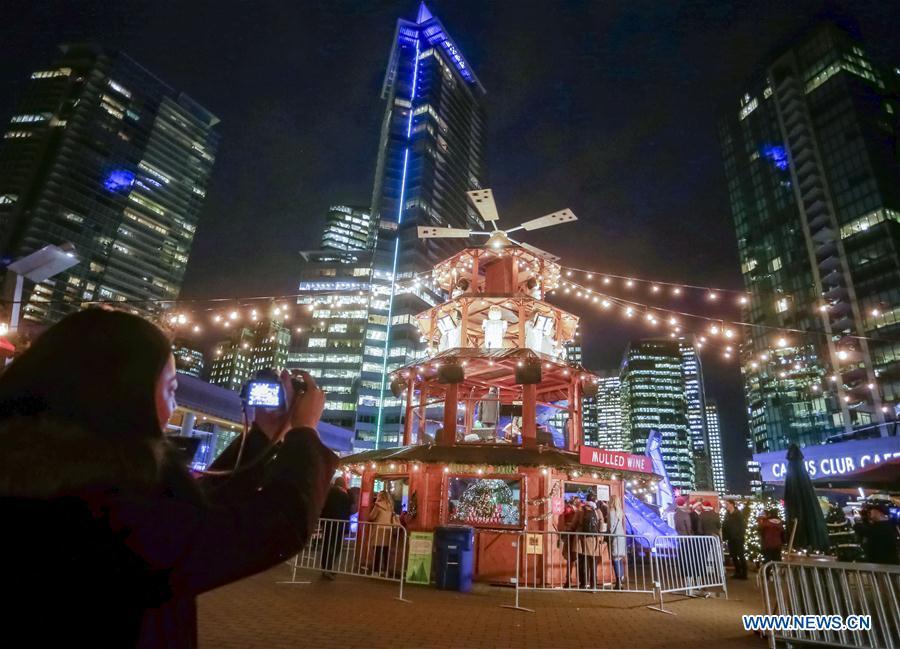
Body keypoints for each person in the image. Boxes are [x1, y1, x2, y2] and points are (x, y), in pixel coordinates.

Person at [0, 309, 335, 648]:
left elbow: (195, 513)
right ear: (128, 392)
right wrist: (305, 433)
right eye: (170, 388)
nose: (172, 407)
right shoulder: (106, 505)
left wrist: (261, 437)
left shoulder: (43, 475)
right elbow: (270, 527)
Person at [320, 476, 353, 579]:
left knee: (327, 545)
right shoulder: (342, 494)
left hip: (328, 523)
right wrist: (348, 491)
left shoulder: (328, 492)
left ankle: (326, 568)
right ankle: (328, 568)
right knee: (336, 546)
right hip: (338, 524)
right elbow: (350, 504)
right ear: (343, 484)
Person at [574, 493, 604, 589]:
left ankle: (583, 584)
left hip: (582, 540)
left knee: (583, 562)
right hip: (594, 539)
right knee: (593, 562)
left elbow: (574, 523)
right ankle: (593, 585)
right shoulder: (597, 511)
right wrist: (600, 535)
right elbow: (601, 525)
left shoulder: (580, 510)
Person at [368, 490, 398, 575]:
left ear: (380, 496)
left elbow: (371, 517)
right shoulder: (390, 506)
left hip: (379, 530)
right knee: (385, 551)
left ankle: (376, 571)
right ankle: (386, 571)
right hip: (388, 530)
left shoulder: (378, 505)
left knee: (377, 551)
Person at [722, 499, 748, 579]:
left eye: (727, 504)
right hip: (730, 538)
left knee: (740, 555)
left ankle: (744, 574)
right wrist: (725, 536)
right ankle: (737, 572)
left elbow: (742, 526)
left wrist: (739, 535)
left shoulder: (738, 514)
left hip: (738, 538)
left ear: (732, 504)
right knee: (733, 556)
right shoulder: (727, 514)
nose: (726, 505)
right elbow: (725, 525)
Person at [558, 496, 580, 587]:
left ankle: (570, 579)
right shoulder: (570, 510)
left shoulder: (573, 510)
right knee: (573, 558)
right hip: (573, 536)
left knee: (572, 559)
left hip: (572, 536)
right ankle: (570, 578)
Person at [607, 495, 627, 590]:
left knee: (615, 559)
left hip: (615, 536)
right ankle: (621, 579)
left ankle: (618, 581)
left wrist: (608, 535)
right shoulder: (620, 511)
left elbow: (611, 526)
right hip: (621, 535)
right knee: (619, 559)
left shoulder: (612, 512)